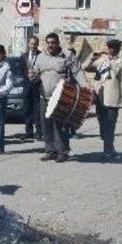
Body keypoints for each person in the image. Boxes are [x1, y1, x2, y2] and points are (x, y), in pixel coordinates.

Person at [31, 32, 89, 163]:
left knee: (60, 125)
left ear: (58, 43)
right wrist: (32, 75)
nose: (51, 45)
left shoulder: (67, 55)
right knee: (46, 125)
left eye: (53, 43)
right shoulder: (40, 57)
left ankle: (63, 151)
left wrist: (85, 87)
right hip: (44, 96)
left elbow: (77, 72)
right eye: (48, 43)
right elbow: (35, 72)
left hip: (62, 96)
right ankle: (50, 151)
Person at [85, 39, 122, 159]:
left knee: (110, 124)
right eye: (109, 48)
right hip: (100, 95)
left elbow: (116, 71)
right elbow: (86, 67)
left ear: (118, 49)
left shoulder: (121, 61)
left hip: (112, 97)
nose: (111, 50)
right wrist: (93, 58)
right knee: (102, 123)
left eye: (114, 48)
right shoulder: (101, 59)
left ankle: (108, 149)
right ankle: (108, 147)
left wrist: (107, 58)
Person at [21, 35, 42, 140]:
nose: (33, 46)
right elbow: (22, 71)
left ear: (37, 44)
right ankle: (28, 132)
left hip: (37, 86)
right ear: (28, 44)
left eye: (35, 44)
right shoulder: (23, 56)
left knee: (37, 111)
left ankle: (38, 132)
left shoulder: (41, 56)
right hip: (27, 87)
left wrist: (36, 78)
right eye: (31, 44)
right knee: (27, 110)